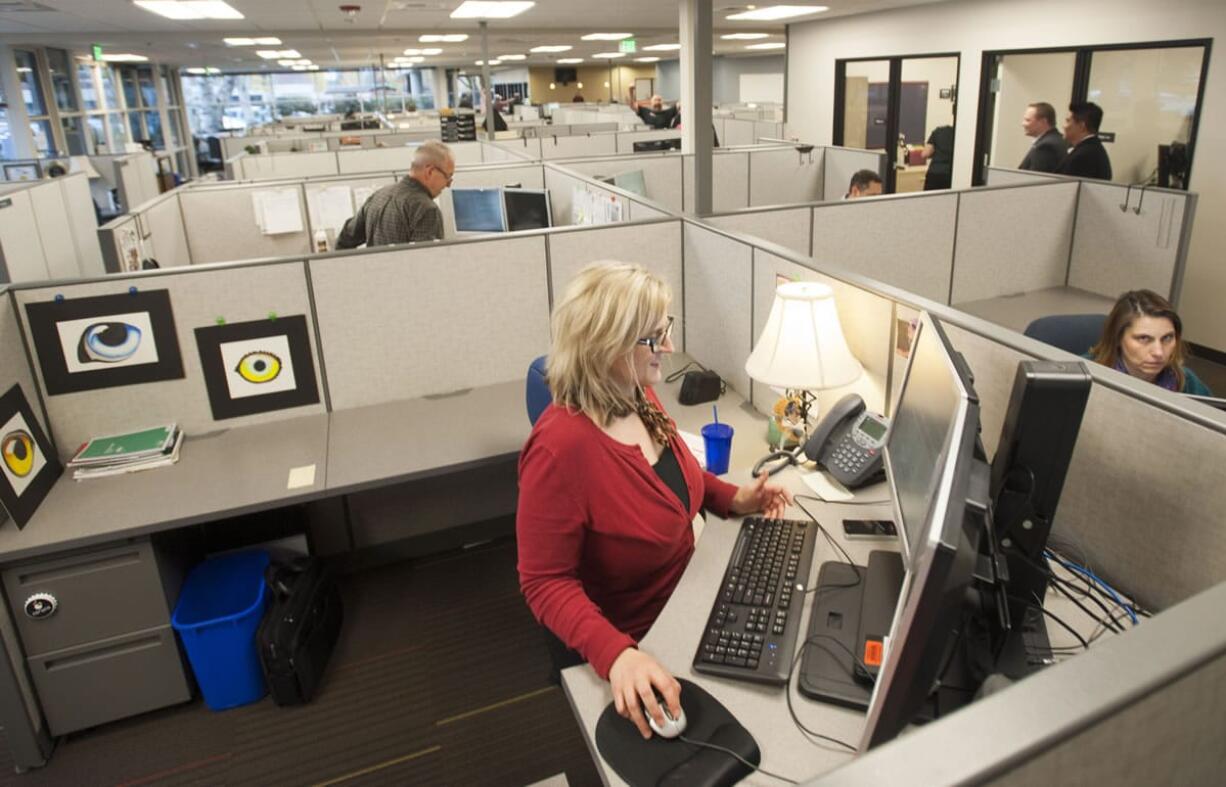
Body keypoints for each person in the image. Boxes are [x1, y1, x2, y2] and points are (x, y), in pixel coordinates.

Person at [516, 262, 793, 739]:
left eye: (667, 329)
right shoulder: (559, 450)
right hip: (644, 639)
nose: (667, 346)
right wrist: (617, 654)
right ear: (608, 346)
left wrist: (736, 499)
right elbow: (544, 581)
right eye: (653, 337)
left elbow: (678, 478)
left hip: (692, 601)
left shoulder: (637, 396)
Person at [1087, 289, 1212, 395]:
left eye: (1167, 338)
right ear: (1118, 338)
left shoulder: (1185, 381)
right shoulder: (1084, 373)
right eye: (1144, 338)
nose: (1159, 352)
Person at [335, 140, 452, 249]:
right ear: (430, 171)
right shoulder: (426, 209)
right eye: (448, 177)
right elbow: (427, 263)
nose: (448, 184)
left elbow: (344, 240)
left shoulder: (379, 195)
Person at [1056, 101, 1112, 181]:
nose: (1064, 126)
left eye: (1068, 121)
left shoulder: (1084, 155)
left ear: (1082, 126)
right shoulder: (1091, 148)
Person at [1018, 102, 1065, 173]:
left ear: (1043, 121)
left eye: (1027, 120)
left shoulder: (1045, 147)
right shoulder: (1060, 139)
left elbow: (1034, 179)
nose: (1023, 124)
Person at [922, 124, 954, 190]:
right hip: (951, 175)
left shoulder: (939, 131)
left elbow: (925, 154)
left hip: (934, 173)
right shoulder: (963, 134)